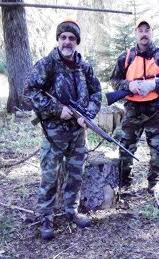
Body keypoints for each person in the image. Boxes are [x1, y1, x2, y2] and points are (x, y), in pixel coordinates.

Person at [25, 20, 102, 240]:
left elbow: (97, 93)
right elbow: (30, 90)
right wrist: (57, 110)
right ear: (58, 40)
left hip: (78, 133)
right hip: (54, 133)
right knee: (50, 177)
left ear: (77, 42)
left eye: (71, 38)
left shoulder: (84, 66)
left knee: (75, 174)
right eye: (63, 37)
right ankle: (46, 217)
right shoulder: (47, 63)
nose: (67, 41)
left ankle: (71, 211)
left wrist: (88, 113)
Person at [110, 18, 159, 194]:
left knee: (157, 148)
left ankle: (153, 183)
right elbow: (114, 81)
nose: (144, 33)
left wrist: (155, 85)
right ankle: (124, 182)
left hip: (156, 109)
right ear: (136, 34)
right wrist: (129, 86)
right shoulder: (126, 57)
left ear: (152, 32)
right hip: (132, 109)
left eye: (147, 30)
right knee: (126, 146)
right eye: (140, 30)